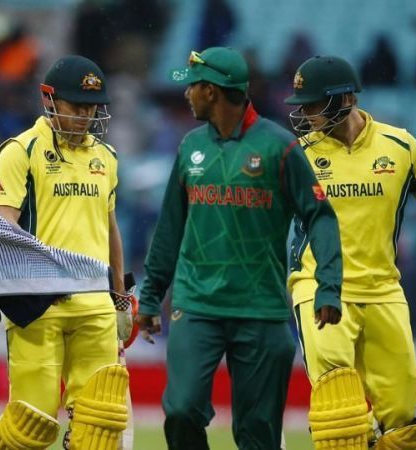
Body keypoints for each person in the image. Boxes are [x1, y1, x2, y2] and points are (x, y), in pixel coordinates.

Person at [135, 47, 343, 450]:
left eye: (192, 86)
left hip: (261, 311)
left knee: (257, 436)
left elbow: (321, 216)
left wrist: (328, 285)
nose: (186, 94)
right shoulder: (189, 146)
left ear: (212, 92)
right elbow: (169, 229)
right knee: (180, 410)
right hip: (197, 306)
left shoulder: (280, 147)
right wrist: (150, 296)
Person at [285, 55, 416, 449]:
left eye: (313, 103)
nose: (304, 113)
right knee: (339, 407)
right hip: (319, 288)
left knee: (402, 419)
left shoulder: (401, 146)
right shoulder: (298, 154)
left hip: (383, 291)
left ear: (344, 101)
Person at [0, 55, 131, 450]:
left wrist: (120, 296)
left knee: (99, 427)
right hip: (38, 306)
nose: (86, 115)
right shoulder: (21, 151)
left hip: (95, 306)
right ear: (49, 101)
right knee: (30, 429)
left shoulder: (107, 157)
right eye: (77, 106)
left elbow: (109, 228)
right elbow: (1, 229)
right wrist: (28, 287)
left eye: (92, 107)